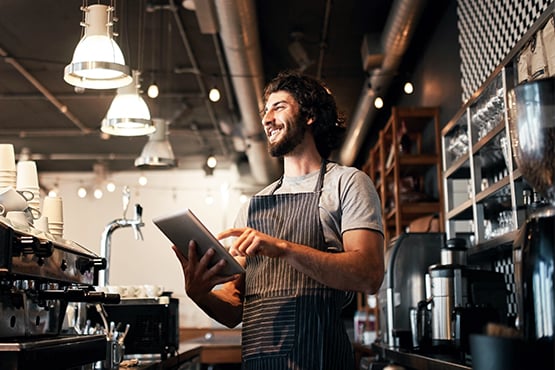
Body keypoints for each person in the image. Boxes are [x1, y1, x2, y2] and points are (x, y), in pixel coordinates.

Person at [172, 70, 384, 370]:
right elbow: (234, 308)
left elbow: (370, 274)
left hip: (322, 361)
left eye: (279, 107)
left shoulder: (347, 183)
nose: (267, 119)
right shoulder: (252, 208)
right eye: (265, 110)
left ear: (309, 115)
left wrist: (284, 249)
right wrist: (199, 293)